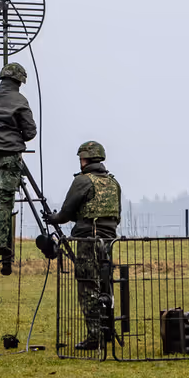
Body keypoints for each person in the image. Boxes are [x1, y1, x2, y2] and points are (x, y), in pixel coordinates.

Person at [46, 141, 121, 350]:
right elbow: (117, 215)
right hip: (108, 242)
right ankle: (107, 331)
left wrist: (53, 218)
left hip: (88, 241)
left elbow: (66, 213)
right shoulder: (114, 183)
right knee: (106, 286)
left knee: (88, 286)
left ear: (84, 159)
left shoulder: (83, 181)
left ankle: (94, 336)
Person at [0, 62, 37, 258]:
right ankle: (0, 242)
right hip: (9, 153)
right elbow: (30, 132)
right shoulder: (20, 101)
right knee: (5, 199)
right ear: (19, 81)